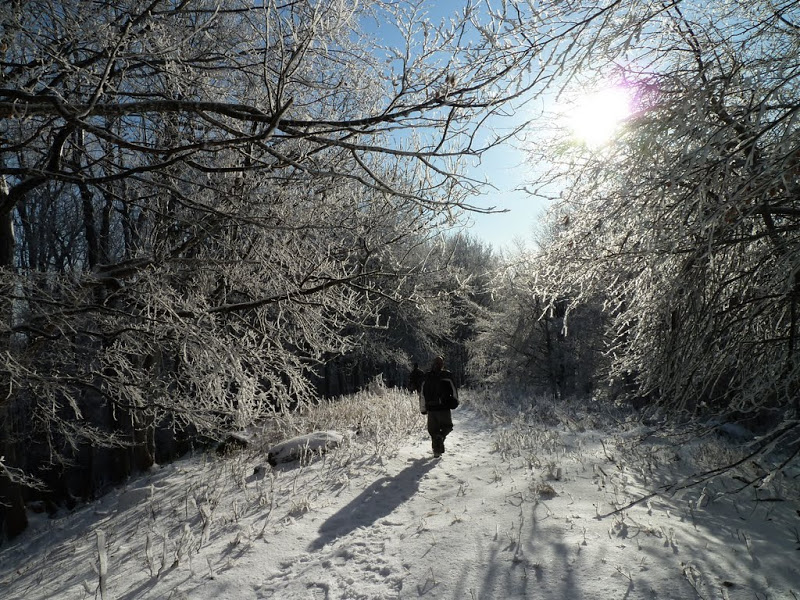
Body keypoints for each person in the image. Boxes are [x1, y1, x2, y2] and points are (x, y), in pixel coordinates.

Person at [419, 356, 458, 458]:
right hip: (444, 408)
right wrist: (455, 402)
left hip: (431, 409)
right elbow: (454, 391)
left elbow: (422, 394)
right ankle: (441, 437)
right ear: (442, 364)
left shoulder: (427, 377)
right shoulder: (447, 375)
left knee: (433, 431)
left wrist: (423, 408)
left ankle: (436, 452)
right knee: (447, 427)